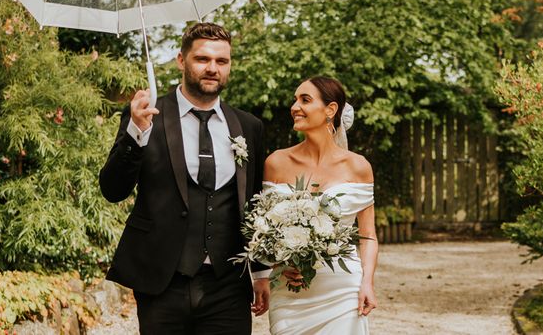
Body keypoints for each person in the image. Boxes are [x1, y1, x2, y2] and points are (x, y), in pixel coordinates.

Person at [99, 22, 270, 335]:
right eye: (202, 59)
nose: (212, 68)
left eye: (222, 61)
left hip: (228, 285)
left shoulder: (248, 126)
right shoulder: (148, 115)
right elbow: (112, 190)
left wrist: (260, 273)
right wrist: (136, 133)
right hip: (162, 281)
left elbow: (255, 204)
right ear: (181, 60)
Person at [263, 75, 378, 334]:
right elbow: (264, 230)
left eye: (305, 100)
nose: (295, 107)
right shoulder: (276, 162)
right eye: (294, 100)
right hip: (290, 292)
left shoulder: (358, 167)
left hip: (343, 291)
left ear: (330, 109)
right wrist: (278, 263)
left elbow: (368, 235)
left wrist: (367, 283)